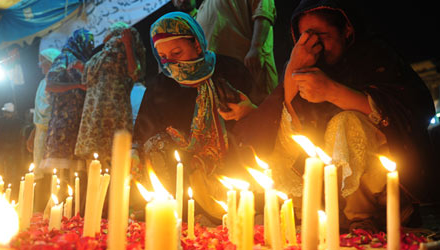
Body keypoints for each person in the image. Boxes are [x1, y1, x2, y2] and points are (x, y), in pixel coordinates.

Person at [235, 0, 435, 232]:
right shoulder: (307, 60)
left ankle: (362, 216)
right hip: (330, 202)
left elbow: (405, 109)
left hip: (382, 192)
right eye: (305, 38)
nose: (314, 45)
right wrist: (294, 69)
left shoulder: (374, 55)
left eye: (321, 35)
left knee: (346, 121)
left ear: (347, 30)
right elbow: (292, 124)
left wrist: (331, 91)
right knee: (284, 128)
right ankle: (308, 210)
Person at [133, 12, 256, 220]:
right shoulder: (161, 85)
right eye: (163, 57)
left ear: (197, 45)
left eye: (177, 52)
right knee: (155, 146)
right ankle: (180, 213)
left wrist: (248, 111)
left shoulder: (231, 70)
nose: (171, 63)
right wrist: (133, 152)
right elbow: (142, 133)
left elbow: (264, 113)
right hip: (182, 177)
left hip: (233, 167)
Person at [75, 23, 146, 169]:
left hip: (113, 110)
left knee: (115, 157)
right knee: (95, 161)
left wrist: (127, 44)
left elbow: (135, 73)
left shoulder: (121, 47)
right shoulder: (101, 54)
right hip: (94, 112)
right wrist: (83, 68)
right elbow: (87, 83)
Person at [196, 0, 278, 104]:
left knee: (262, 113)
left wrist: (256, 47)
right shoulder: (205, 4)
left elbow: (263, 12)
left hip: (249, 72)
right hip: (221, 82)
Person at [42, 29, 94, 177]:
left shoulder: (84, 61)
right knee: (61, 174)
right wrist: (76, 86)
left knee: (76, 175)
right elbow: (50, 85)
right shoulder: (64, 58)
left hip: (78, 123)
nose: (89, 45)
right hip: (63, 123)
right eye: (87, 42)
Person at [26, 48, 60, 211]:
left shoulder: (58, 80)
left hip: (53, 131)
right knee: (38, 170)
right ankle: (37, 209)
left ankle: (49, 210)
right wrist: (34, 132)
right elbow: (39, 112)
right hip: (41, 131)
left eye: (43, 61)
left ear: (51, 62)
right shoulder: (42, 82)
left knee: (51, 172)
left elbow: (54, 109)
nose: (40, 65)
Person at [0, 102, 23, 183]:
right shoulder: (0, 121)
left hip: (12, 151)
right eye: (4, 112)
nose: (5, 114)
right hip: (0, 150)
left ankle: (9, 186)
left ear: (12, 113)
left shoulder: (18, 122)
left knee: (10, 170)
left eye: (7, 112)